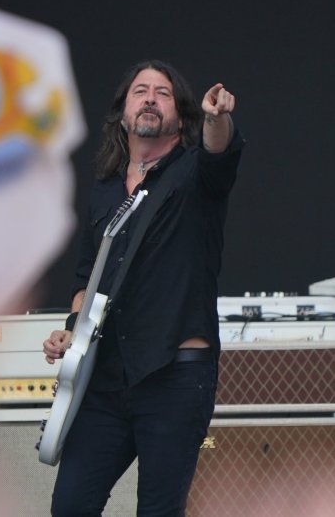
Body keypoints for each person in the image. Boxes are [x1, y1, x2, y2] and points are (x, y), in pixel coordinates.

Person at [42, 59, 244, 516]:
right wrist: (73, 330)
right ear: (123, 113)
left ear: (181, 116)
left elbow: (220, 153)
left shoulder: (193, 175)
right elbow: (85, 279)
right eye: (140, 91)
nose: (150, 97)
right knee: (70, 506)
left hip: (175, 375)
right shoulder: (105, 191)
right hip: (106, 377)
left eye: (163, 92)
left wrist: (218, 118)